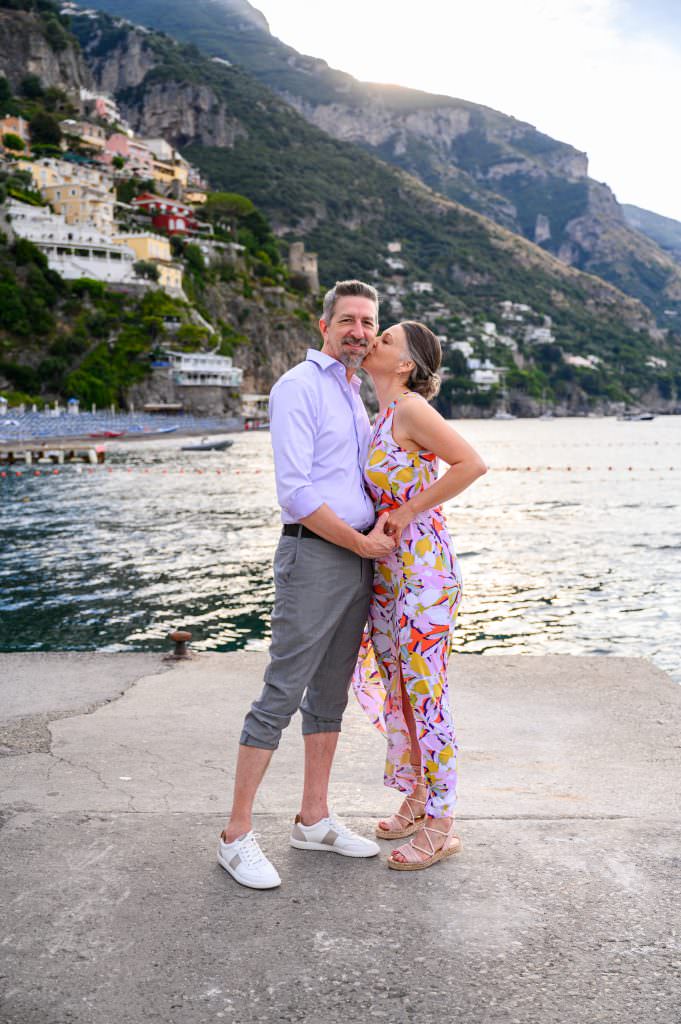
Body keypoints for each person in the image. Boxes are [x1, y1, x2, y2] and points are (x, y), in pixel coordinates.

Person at [218, 280, 396, 890]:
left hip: (357, 557)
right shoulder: (298, 386)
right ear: (324, 325)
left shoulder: (353, 392)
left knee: (330, 695)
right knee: (281, 692)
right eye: (348, 319)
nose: (359, 331)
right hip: (316, 555)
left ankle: (313, 819)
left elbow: (355, 480)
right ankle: (236, 835)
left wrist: (384, 523)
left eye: (368, 322)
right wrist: (360, 541)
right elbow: (296, 493)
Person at [353, 320, 487, 870]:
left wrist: (408, 510)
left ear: (405, 364)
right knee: (401, 691)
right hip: (389, 572)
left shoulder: (411, 409)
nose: (372, 342)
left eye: (384, 340)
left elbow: (472, 463)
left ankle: (443, 823)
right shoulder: (381, 416)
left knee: (427, 693)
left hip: (424, 570)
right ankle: (416, 795)